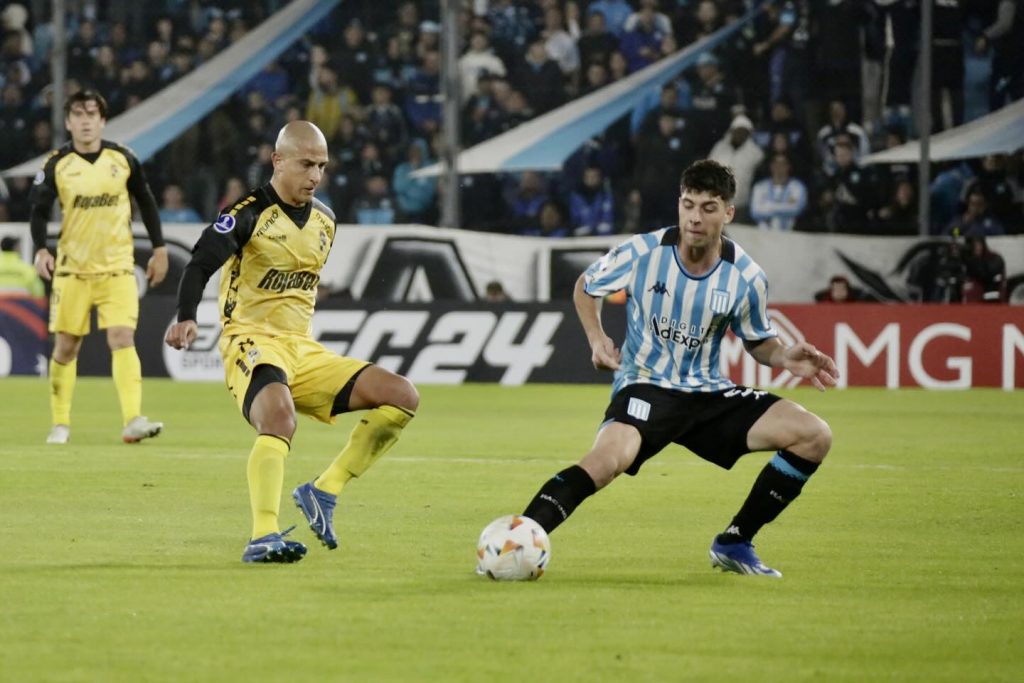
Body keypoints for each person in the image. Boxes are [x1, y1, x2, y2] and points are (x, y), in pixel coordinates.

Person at [510, 160, 838, 578]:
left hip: (707, 393)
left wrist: (784, 356)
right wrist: (596, 338)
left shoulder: (747, 277)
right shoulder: (644, 251)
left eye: (708, 207)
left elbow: (758, 340)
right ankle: (519, 539)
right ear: (679, 205)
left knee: (814, 436)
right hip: (645, 384)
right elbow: (586, 287)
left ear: (728, 213)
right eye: (688, 205)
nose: (696, 217)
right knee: (608, 460)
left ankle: (735, 541)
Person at [165, 121, 418, 564]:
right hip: (252, 341)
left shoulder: (326, 220)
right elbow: (199, 264)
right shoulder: (247, 213)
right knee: (279, 419)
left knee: (401, 396)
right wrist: (187, 316)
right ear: (278, 161)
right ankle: (263, 534)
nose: (315, 176)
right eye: (306, 164)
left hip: (303, 349)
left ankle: (323, 491)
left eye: (321, 166)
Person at [29, 89, 167, 445]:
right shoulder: (57, 164)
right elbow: (39, 210)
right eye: (78, 114)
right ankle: (60, 424)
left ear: (103, 120)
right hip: (72, 270)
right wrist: (42, 249)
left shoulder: (122, 158)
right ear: (67, 122)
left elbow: (147, 201)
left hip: (118, 267)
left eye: (92, 114)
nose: (86, 120)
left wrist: (159, 248)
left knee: (122, 337)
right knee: (66, 347)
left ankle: (133, 419)